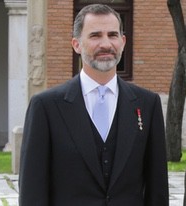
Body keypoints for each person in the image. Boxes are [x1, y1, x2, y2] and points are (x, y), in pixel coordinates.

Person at [19, 4, 169, 206]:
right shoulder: (46, 107)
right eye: (95, 35)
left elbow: (157, 188)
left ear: (123, 42)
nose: (106, 44)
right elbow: (32, 190)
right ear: (76, 44)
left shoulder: (148, 104)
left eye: (113, 35)